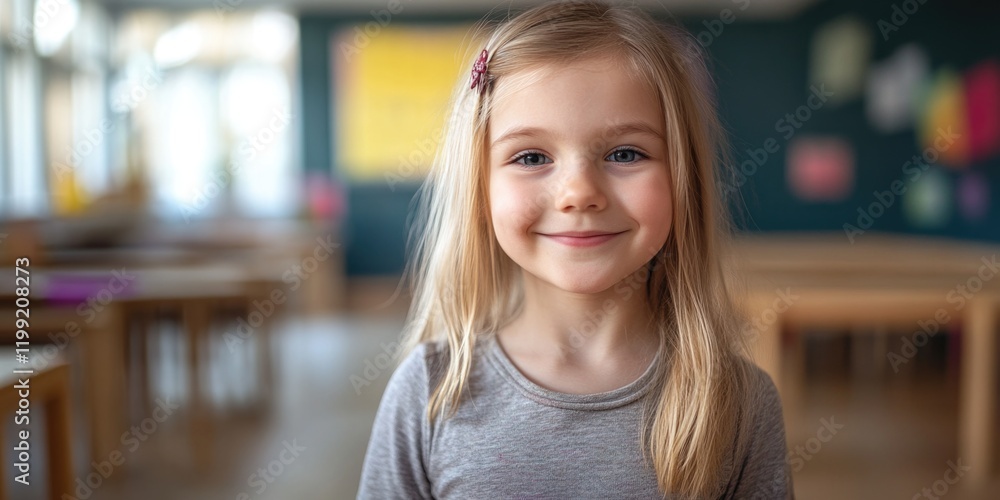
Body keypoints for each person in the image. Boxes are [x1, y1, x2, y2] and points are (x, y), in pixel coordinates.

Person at [358, 1, 792, 498]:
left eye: (625, 153)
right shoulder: (429, 391)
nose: (578, 191)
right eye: (532, 157)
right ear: (480, 190)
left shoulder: (740, 403)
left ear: (683, 179)